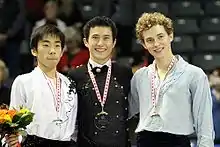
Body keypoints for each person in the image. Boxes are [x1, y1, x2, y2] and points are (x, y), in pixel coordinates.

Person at [129, 12, 214, 147]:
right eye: (150, 40)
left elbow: (204, 122)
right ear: (144, 44)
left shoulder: (194, 74)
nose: (156, 44)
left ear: (171, 35)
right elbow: (128, 113)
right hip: (144, 141)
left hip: (177, 142)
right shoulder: (140, 76)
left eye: (160, 36)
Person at [6, 24, 78, 147]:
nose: (52, 50)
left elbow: (74, 124)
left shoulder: (69, 83)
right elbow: (14, 123)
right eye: (46, 45)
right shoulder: (23, 81)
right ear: (34, 50)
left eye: (57, 45)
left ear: (62, 52)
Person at [68, 16, 133, 147]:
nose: (100, 43)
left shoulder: (125, 73)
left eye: (106, 38)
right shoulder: (74, 76)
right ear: (86, 41)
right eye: (95, 37)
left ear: (114, 42)